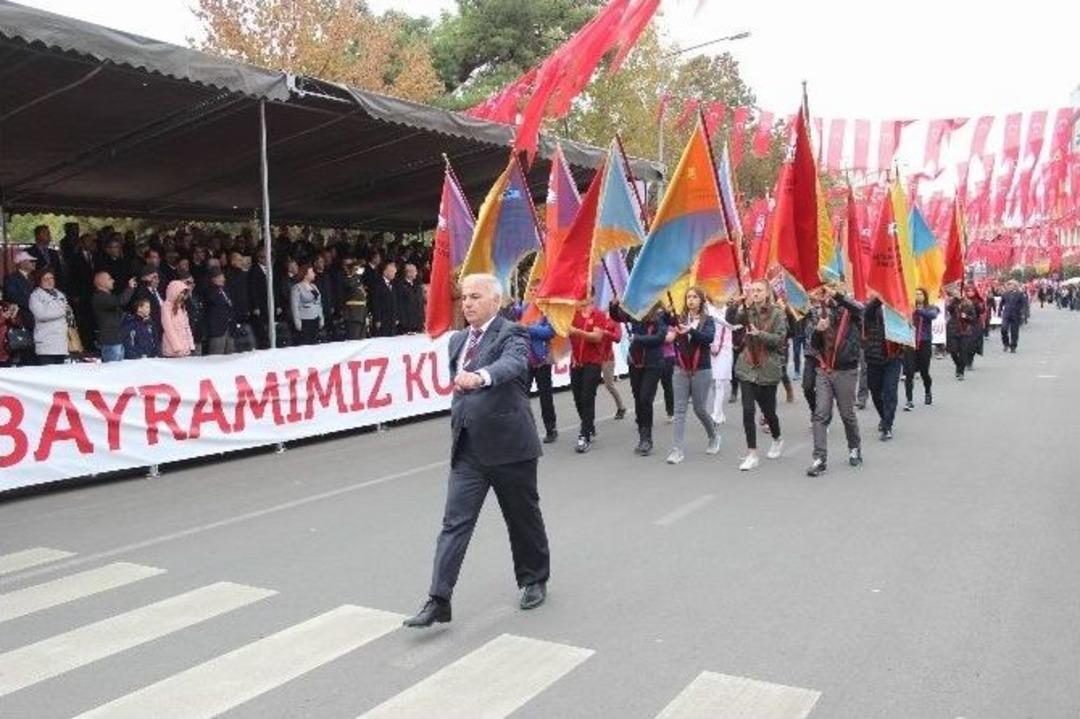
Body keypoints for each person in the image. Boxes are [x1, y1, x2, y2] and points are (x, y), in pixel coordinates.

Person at [403, 273, 549, 628]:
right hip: (469, 449)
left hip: (510, 447)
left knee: (521, 518)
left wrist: (481, 376)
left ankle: (533, 578)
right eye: (464, 296)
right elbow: (459, 393)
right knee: (454, 523)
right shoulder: (456, 342)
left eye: (475, 296)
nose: (466, 303)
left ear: (495, 302)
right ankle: (439, 599)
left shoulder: (512, 332)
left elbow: (512, 364)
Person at [726, 280, 787, 471]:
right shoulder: (748, 311)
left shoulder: (778, 313)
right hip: (747, 367)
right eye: (753, 291)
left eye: (759, 290)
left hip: (767, 368)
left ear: (768, 292)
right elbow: (732, 320)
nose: (755, 294)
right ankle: (752, 453)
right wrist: (737, 303)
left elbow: (779, 340)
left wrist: (759, 334)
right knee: (748, 411)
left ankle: (777, 438)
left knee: (769, 412)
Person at [805, 286, 864, 476]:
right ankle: (819, 458)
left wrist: (838, 295)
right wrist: (817, 330)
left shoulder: (852, 312)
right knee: (820, 414)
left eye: (835, 289)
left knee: (847, 414)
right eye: (827, 291)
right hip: (824, 369)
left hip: (846, 370)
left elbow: (859, 309)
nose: (829, 294)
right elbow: (813, 344)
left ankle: (854, 447)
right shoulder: (819, 312)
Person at [666, 287, 719, 464]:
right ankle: (677, 450)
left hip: (701, 369)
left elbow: (708, 339)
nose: (691, 300)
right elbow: (667, 329)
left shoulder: (708, 320)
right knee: (679, 409)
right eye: (688, 297)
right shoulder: (679, 319)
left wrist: (691, 331)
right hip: (680, 368)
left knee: (699, 408)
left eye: (695, 297)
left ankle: (713, 435)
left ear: (701, 301)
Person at [611, 301, 667, 456]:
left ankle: (647, 438)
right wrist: (614, 306)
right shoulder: (636, 314)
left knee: (645, 399)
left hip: (653, 364)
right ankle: (641, 430)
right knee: (637, 398)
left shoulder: (661, 315)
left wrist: (638, 338)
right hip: (635, 363)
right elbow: (617, 317)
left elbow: (659, 338)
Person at [568, 301, 621, 453]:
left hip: (593, 362)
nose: (579, 297)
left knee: (587, 397)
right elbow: (563, 330)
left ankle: (584, 435)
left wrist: (575, 331)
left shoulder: (597, 314)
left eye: (583, 294)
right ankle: (588, 425)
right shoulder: (573, 314)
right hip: (576, 362)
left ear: (591, 296)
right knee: (578, 398)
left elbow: (597, 337)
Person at [863, 295, 904, 440]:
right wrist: (882, 293)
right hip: (874, 358)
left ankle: (888, 426)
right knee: (875, 392)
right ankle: (883, 416)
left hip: (893, 358)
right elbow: (869, 309)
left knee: (890, 392)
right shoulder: (870, 312)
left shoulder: (899, 311)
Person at [523, 312, 558, 444]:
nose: (532, 292)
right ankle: (525, 430)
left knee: (545, 396)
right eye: (530, 290)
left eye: (534, 290)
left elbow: (550, 332)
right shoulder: (524, 310)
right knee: (522, 397)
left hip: (543, 361)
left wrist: (529, 328)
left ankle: (551, 429)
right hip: (526, 361)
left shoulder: (546, 312)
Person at [903, 288, 939, 410]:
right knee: (909, 372)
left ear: (925, 296)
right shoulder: (909, 307)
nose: (918, 296)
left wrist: (919, 310)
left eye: (920, 294)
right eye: (916, 294)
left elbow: (932, 315)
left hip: (924, 342)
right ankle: (909, 400)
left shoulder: (930, 307)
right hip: (910, 343)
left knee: (924, 371)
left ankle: (927, 391)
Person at [91, 271, 137, 362]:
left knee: (119, 372)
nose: (113, 281)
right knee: (112, 372)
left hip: (117, 339)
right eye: (110, 279)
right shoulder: (99, 297)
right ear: (101, 282)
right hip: (110, 341)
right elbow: (120, 301)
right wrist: (130, 288)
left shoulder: (107, 296)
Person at [28, 270, 71, 365]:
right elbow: (41, 315)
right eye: (46, 279)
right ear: (39, 281)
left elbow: (67, 310)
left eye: (51, 278)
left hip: (61, 342)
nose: (50, 281)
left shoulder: (60, 294)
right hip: (46, 343)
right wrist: (62, 311)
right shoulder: (35, 296)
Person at [706, 297, 737, 426]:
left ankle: (716, 414)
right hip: (710, 347)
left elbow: (735, 326)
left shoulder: (729, 309)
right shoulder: (707, 308)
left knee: (720, 382)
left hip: (725, 348)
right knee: (713, 381)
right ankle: (719, 412)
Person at [945, 288, 977, 381]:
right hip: (953, 329)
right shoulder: (953, 302)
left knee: (963, 353)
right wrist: (954, 299)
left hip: (965, 331)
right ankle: (959, 365)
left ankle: (960, 372)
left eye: (959, 292)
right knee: (953, 351)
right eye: (955, 292)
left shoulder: (969, 304)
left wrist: (966, 316)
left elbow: (974, 319)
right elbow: (949, 309)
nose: (957, 294)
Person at [290, 264, 324, 346]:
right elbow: (294, 306)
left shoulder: (314, 286)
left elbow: (319, 303)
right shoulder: (297, 288)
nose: (314, 274)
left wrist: (321, 318)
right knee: (305, 344)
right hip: (305, 320)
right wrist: (297, 322)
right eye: (311, 272)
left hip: (315, 318)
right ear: (305, 274)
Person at [205, 267, 236, 355]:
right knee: (217, 355)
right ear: (214, 279)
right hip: (217, 329)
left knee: (230, 354)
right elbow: (213, 300)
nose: (224, 279)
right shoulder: (210, 290)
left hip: (229, 328)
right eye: (221, 277)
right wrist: (217, 289)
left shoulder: (225, 290)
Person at [161, 280, 195, 358]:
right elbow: (168, 328)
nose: (182, 295)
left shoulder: (181, 306)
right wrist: (177, 347)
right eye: (181, 292)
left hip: (185, 348)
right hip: (172, 349)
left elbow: (187, 327)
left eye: (183, 293)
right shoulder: (166, 306)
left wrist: (191, 344)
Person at [341, 258, 369, 340]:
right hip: (352, 315)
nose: (360, 270)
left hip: (361, 315)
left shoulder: (358, 281)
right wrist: (355, 274)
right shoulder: (348, 279)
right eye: (357, 268)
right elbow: (350, 286)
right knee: (354, 340)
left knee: (362, 340)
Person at [370, 261, 400, 337]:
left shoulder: (394, 284)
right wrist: (377, 319)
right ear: (385, 272)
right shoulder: (378, 284)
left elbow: (395, 302)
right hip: (382, 319)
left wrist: (396, 317)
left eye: (394, 272)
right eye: (391, 271)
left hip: (392, 319)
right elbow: (376, 302)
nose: (394, 274)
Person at [396, 262, 425, 334]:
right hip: (407, 323)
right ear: (408, 273)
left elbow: (420, 303)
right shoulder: (401, 286)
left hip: (418, 323)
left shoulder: (417, 285)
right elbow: (400, 305)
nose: (416, 273)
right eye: (415, 271)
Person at [999, 279, 1027, 353]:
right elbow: (1001, 303)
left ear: (1015, 286)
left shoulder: (1020, 294)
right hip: (1006, 314)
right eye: (1008, 285)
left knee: (1014, 332)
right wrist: (999, 311)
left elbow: (1023, 304)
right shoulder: (1005, 294)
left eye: (1010, 285)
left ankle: (1013, 346)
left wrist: (1023, 313)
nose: (1009, 286)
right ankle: (1006, 343)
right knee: (1003, 329)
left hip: (1016, 314)